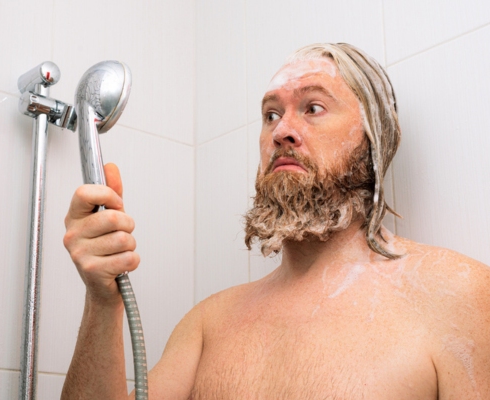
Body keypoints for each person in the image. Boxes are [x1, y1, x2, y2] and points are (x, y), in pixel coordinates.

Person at [60, 43, 490, 399]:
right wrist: (102, 301)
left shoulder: (455, 295)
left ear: (374, 139)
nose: (282, 130)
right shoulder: (209, 324)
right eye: (270, 115)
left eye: (313, 107)